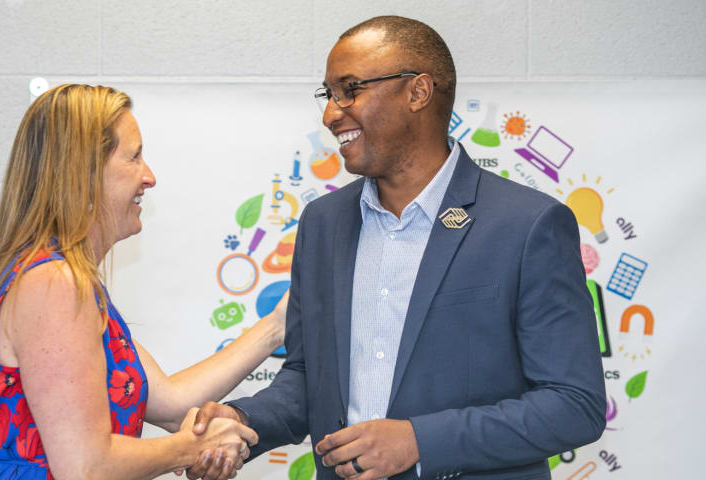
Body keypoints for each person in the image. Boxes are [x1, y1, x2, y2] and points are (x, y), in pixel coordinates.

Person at [185, 16, 606, 480]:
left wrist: (419, 441)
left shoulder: (528, 225)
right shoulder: (323, 224)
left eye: (350, 89)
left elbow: (574, 404)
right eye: (328, 95)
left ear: (418, 92)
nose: (331, 114)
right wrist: (245, 421)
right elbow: (310, 378)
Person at [0, 84, 287, 480]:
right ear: (83, 174)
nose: (149, 177)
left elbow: (170, 403)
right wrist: (193, 446)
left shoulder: (65, 279)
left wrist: (277, 326)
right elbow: (86, 468)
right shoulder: (53, 284)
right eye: (134, 157)